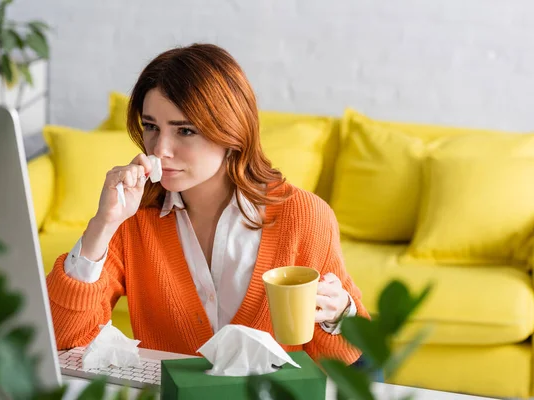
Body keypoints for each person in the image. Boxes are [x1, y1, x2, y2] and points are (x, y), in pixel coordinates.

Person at [46, 43, 369, 365]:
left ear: (231, 131)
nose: (160, 150)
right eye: (151, 127)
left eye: (185, 130)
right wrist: (102, 225)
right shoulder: (132, 219)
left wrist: (337, 316)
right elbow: (64, 340)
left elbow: (349, 360)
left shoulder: (304, 216)